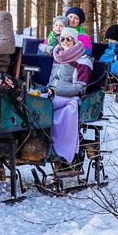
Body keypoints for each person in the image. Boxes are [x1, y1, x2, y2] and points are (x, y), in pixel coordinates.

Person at [44, 26, 93, 168]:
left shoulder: (83, 59)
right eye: (63, 39)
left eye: (69, 39)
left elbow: (80, 87)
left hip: (70, 97)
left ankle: (61, 149)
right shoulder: (58, 55)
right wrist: (47, 89)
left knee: (48, 106)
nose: (65, 42)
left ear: (75, 41)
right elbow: (52, 79)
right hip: (52, 93)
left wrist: (57, 90)